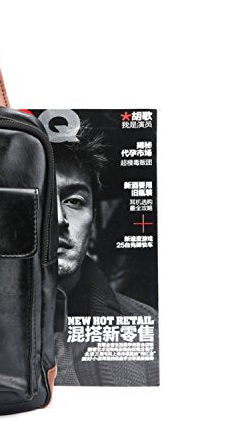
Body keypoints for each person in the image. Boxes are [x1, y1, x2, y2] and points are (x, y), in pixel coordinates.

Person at [50, 118, 159, 386]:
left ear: (93, 218)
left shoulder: (147, 325)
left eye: (74, 201)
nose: (59, 218)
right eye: (39, 199)